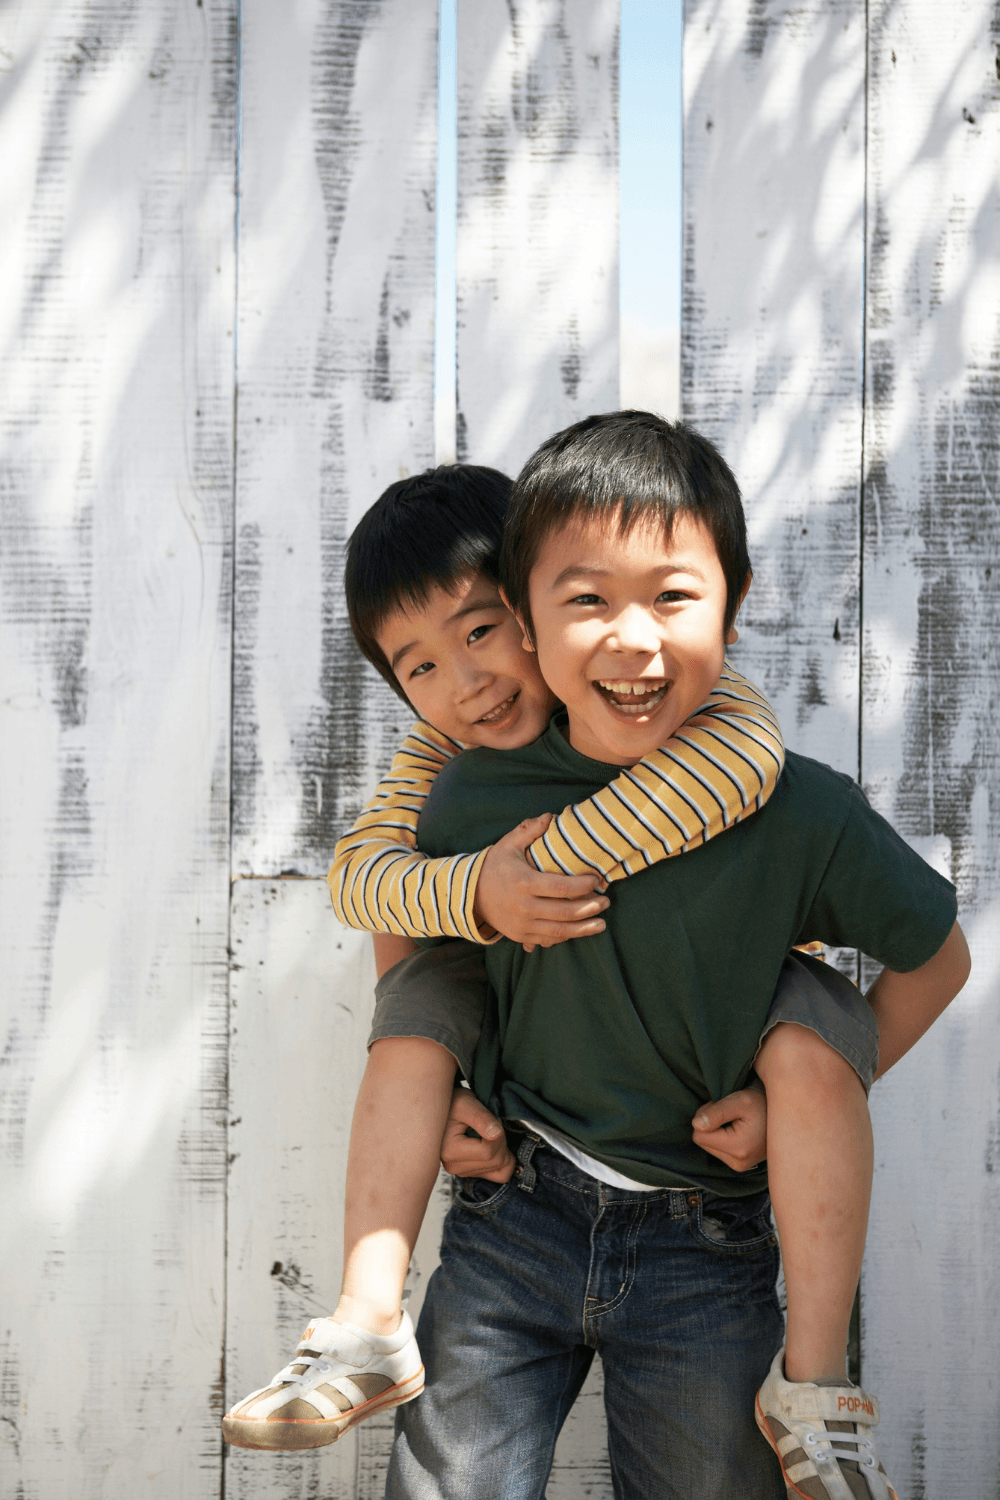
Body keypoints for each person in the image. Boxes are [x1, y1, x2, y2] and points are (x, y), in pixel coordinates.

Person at [380, 415, 967, 1499]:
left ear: (733, 609)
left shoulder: (798, 813)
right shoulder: (479, 795)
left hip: (707, 1242)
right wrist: (439, 1088)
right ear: (526, 619)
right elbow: (415, 930)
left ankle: (816, 1390)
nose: (632, 639)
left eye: (673, 597)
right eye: (588, 599)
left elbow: (937, 958)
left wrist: (805, 1097)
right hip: (517, 1213)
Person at [222, 460, 787, 1453]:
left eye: (481, 630)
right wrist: (480, 892)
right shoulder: (442, 758)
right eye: (419, 666)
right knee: (418, 993)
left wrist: (549, 864)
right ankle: (366, 1316)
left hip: (696, 1165)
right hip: (520, 1162)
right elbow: (361, 875)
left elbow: (740, 760)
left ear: (538, 600)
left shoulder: (658, 697)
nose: (465, 682)